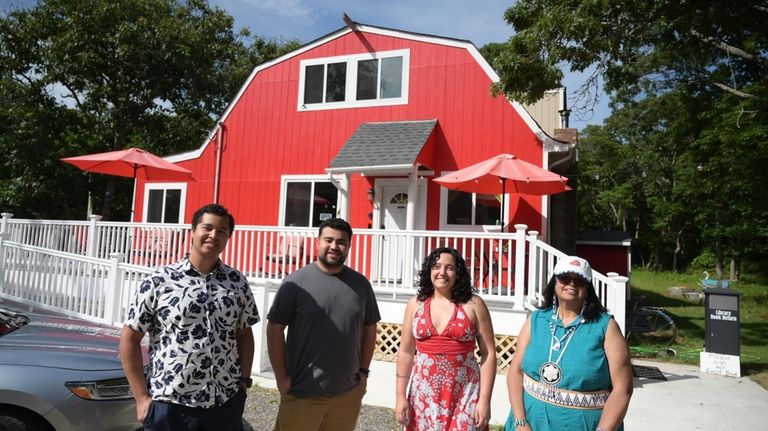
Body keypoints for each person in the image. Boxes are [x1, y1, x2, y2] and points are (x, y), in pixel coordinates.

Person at [119, 203, 260, 431]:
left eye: (222, 231)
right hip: (171, 406)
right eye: (208, 228)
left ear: (228, 238)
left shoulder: (237, 282)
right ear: (193, 231)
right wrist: (141, 398)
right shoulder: (160, 281)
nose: (214, 235)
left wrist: (243, 383)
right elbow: (129, 339)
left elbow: (244, 334)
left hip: (224, 405)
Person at [266, 217, 381, 431]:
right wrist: (282, 378)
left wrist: (364, 373)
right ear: (318, 242)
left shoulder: (361, 285)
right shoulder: (295, 283)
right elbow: (274, 329)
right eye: (329, 240)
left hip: (347, 395)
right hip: (302, 393)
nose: (334, 246)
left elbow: (369, 328)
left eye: (341, 242)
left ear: (348, 246)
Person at [504, 256, 633, 431]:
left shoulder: (605, 327)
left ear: (587, 287)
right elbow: (515, 372)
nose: (571, 283)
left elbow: (623, 389)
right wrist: (520, 422)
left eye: (579, 280)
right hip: (529, 423)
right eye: (564, 277)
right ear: (555, 282)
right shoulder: (536, 320)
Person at [395, 247, 497, 430]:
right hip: (423, 396)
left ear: (458, 273)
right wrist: (400, 395)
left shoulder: (474, 304)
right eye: (436, 266)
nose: (442, 272)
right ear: (429, 271)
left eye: (449, 268)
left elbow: (488, 354)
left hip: (465, 394)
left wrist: (484, 400)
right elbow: (406, 352)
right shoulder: (415, 304)